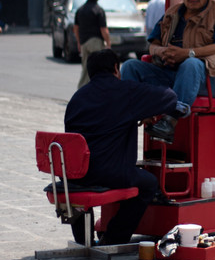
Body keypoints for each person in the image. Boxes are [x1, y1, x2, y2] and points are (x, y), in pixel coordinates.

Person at [64, 49, 177, 246]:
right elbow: (169, 97)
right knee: (149, 184)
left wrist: (134, 115)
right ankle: (114, 238)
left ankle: (83, 241)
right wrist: (141, 111)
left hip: (74, 172)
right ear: (116, 69)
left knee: (85, 179)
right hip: (110, 172)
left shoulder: (77, 98)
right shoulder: (126, 91)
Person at [120, 0, 215, 142]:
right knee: (130, 66)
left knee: (191, 64)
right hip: (171, 74)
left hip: (208, 80)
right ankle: (136, 114)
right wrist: (162, 52)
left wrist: (187, 53)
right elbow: (152, 44)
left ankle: (170, 120)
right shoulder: (172, 13)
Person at [74, 0, 111, 88]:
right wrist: (108, 43)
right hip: (96, 42)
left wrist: (78, 41)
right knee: (98, 69)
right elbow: (104, 29)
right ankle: (97, 90)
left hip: (84, 42)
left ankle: (82, 91)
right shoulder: (98, 10)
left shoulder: (80, 10)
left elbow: (76, 28)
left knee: (86, 69)